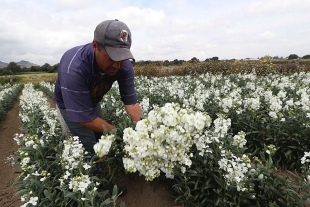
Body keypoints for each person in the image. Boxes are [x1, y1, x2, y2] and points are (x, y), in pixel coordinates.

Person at [54, 19, 141, 156]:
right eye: (112, 58)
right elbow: (85, 118)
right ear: (95, 46)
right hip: (70, 104)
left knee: (102, 138)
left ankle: (104, 165)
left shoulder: (124, 67)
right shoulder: (74, 69)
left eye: (122, 58)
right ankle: (92, 170)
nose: (117, 65)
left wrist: (138, 131)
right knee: (88, 146)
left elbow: (131, 103)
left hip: (92, 99)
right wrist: (121, 133)